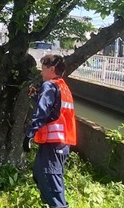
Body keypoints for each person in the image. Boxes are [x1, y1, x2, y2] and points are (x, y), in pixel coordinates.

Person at [26, 54, 78, 208]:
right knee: (41, 174)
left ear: (52, 68)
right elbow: (54, 110)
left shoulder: (49, 85)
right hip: (61, 143)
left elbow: (42, 112)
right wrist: (37, 96)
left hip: (54, 143)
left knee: (50, 181)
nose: (41, 72)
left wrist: (29, 134)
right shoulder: (63, 87)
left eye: (43, 68)